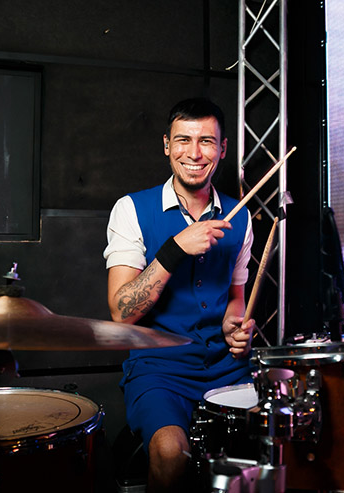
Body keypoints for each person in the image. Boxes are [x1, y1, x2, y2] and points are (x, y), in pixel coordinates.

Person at [103, 97, 255, 492]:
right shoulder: (131, 209)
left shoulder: (240, 216)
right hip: (159, 368)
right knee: (171, 452)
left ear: (222, 149)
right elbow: (122, 312)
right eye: (184, 140)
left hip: (226, 367)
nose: (194, 153)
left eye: (207, 141)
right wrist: (174, 249)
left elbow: (236, 297)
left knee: (272, 441)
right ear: (167, 145)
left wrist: (235, 325)